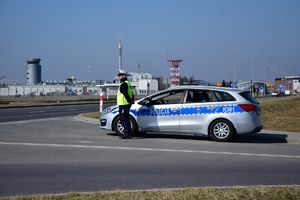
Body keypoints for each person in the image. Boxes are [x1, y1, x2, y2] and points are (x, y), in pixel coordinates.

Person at [117, 70, 134, 139]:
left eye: (120, 76)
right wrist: (132, 100)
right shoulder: (128, 83)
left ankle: (127, 134)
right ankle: (128, 133)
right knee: (125, 119)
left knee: (123, 119)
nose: (119, 77)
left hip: (124, 104)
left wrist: (129, 101)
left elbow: (125, 94)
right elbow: (131, 94)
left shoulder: (124, 84)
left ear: (124, 76)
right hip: (125, 104)